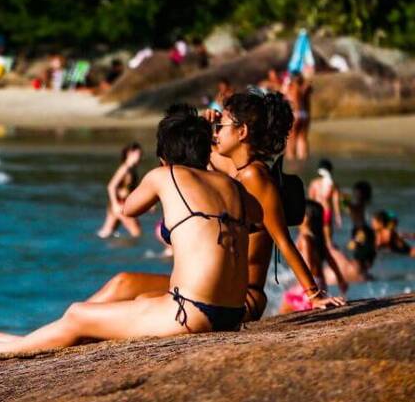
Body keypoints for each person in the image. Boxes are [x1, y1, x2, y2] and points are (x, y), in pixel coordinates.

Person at [0, 105, 255, 355]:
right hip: (231, 313)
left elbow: (129, 207)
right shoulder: (233, 187)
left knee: (78, 314)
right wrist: (209, 152)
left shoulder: (164, 175)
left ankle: (4, 350)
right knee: (125, 284)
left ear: (164, 156)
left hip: (190, 314)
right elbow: (256, 215)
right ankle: (30, 338)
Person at [86, 91, 344, 321]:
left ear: (241, 132)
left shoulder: (256, 177)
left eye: (222, 125)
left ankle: (72, 330)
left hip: (243, 299)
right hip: (212, 291)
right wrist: (204, 128)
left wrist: (314, 295)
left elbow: (283, 240)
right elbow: (194, 158)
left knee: (140, 300)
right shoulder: (241, 170)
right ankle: (66, 332)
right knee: (123, 284)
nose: (217, 131)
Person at [280, 201, 349, 313]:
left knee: (284, 309)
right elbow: (331, 261)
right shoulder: (318, 239)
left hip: (309, 286)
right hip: (320, 283)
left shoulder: (305, 238)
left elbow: (308, 265)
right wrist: (340, 279)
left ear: (306, 217)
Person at [97, 143, 143, 239]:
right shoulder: (124, 168)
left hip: (119, 205)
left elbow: (132, 189)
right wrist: (115, 205)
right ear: (130, 153)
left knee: (106, 233)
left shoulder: (132, 169)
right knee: (137, 233)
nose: (140, 157)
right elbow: (111, 186)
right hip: (120, 205)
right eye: (138, 154)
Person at [307, 159, 342, 245]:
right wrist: (338, 217)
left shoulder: (314, 183)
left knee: (315, 239)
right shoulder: (333, 185)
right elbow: (335, 202)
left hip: (315, 212)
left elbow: (310, 201)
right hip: (326, 211)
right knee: (328, 241)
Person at [346, 181, 376, 274]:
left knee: (359, 256)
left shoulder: (357, 206)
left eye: (356, 193)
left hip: (361, 231)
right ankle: (364, 274)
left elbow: (347, 206)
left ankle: (362, 274)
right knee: (366, 256)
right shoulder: (363, 205)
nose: (355, 195)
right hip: (365, 231)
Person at [284, 72, 313, 160]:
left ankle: (291, 160)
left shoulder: (291, 87)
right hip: (304, 114)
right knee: (302, 137)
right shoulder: (304, 88)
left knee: (291, 138)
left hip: (295, 113)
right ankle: (303, 159)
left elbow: (283, 94)